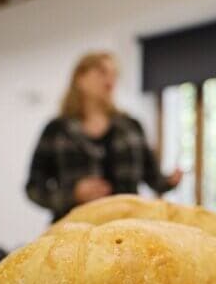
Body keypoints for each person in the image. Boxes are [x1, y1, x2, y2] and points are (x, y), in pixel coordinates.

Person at [26, 52, 182, 221]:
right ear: (80, 78)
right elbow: (34, 187)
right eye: (102, 72)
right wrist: (72, 194)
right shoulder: (56, 130)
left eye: (114, 74)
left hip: (127, 228)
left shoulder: (131, 127)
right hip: (74, 231)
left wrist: (170, 181)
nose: (110, 79)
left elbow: (153, 177)